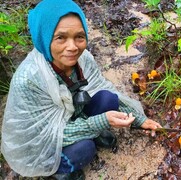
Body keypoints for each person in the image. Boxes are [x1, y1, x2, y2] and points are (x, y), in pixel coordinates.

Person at [0, 0, 162, 179]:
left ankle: (91, 134)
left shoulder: (82, 59)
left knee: (107, 98)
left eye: (79, 36)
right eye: (60, 37)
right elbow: (50, 134)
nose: (72, 47)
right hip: (45, 141)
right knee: (85, 149)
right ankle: (61, 170)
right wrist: (101, 121)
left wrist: (139, 119)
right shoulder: (30, 80)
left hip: (72, 116)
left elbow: (100, 86)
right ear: (44, 38)